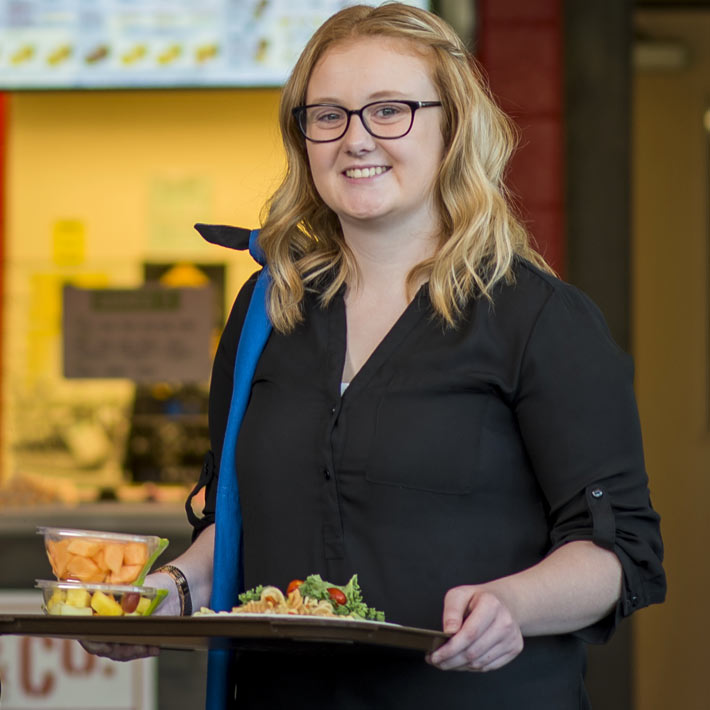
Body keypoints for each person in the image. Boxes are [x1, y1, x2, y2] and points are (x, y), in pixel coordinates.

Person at [86, 4, 666, 708]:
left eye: (389, 110)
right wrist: (166, 592)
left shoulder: (539, 319)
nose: (355, 139)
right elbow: (238, 526)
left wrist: (513, 603)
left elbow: (617, 550)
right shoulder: (268, 311)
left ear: (451, 126)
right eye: (326, 115)